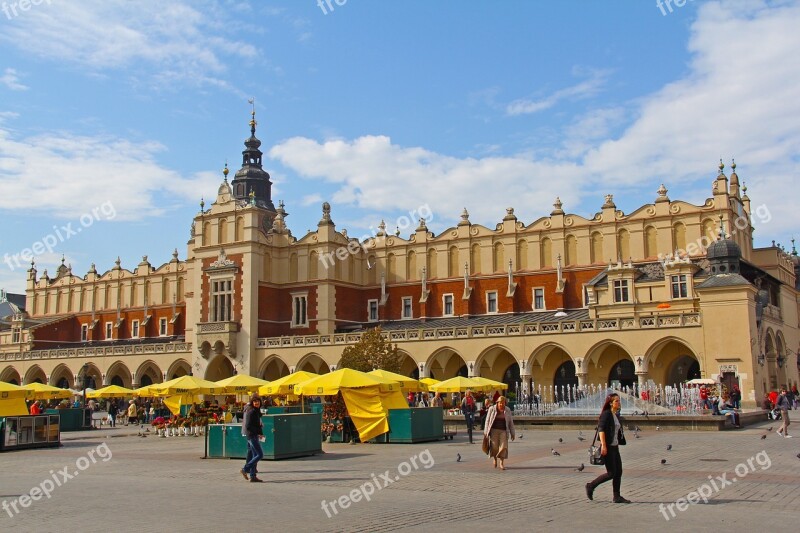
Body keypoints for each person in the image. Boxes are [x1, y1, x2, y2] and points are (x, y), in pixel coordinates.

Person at [586, 393, 631, 503]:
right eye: (617, 401)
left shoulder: (615, 415)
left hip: (615, 447)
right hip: (608, 447)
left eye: (619, 401)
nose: (619, 403)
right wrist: (604, 445)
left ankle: (617, 496)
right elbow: (601, 429)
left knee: (618, 472)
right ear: (611, 403)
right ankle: (591, 486)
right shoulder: (606, 414)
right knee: (611, 473)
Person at [483, 395, 515, 470]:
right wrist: (486, 432)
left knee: (503, 446)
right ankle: (495, 458)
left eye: (503, 403)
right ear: (497, 403)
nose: (501, 405)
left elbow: (510, 422)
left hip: (503, 430)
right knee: (494, 446)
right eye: (500, 403)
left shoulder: (507, 410)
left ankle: (501, 462)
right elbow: (487, 421)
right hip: (494, 430)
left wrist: (512, 433)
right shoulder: (492, 409)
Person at [240, 394, 265, 482]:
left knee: (254, 454)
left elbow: (258, 425)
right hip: (251, 435)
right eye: (255, 401)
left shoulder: (256, 410)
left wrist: (260, 433)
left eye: (258, 401)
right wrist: (257, 433)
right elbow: (248, 425)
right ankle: (245, 469)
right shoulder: (251, 411)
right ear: (252, 402)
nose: (256, 403)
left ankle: (253, 476)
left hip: (252, 434)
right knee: (260, 454)